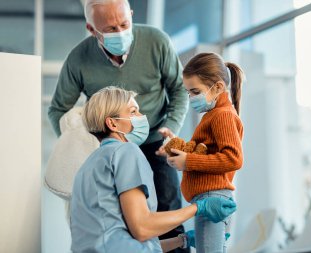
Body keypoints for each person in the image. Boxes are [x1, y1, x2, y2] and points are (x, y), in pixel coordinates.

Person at [48, 0, 189, 249]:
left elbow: (179, 90)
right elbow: (58, 109)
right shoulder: (79, 59)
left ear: (132, 15)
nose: (121, 32)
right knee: (123, 218)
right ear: (92, 29)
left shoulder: (157, 42)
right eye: (111, 29)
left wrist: (171, 130)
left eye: (125, 23)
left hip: (157, 142)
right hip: (109, 147)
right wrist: (82, 146)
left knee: (167, 212)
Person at [70, 86, 237, 253]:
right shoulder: (125, 151)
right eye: (133, 112)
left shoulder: (88, 166)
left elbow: (124, 242)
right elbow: (142, 228)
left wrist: (182, 241)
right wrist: (199, 207)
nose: (142, 117)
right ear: (112, 123)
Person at [164, 52, 244, 253]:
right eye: (188, 93)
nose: (191, 98)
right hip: (207, 198)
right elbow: (205, 151)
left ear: (217, 87)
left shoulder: (222, 115)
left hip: (211, 199)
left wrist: (188, 162)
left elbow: (233, 158)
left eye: (195, 91)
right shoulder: (214, 115)